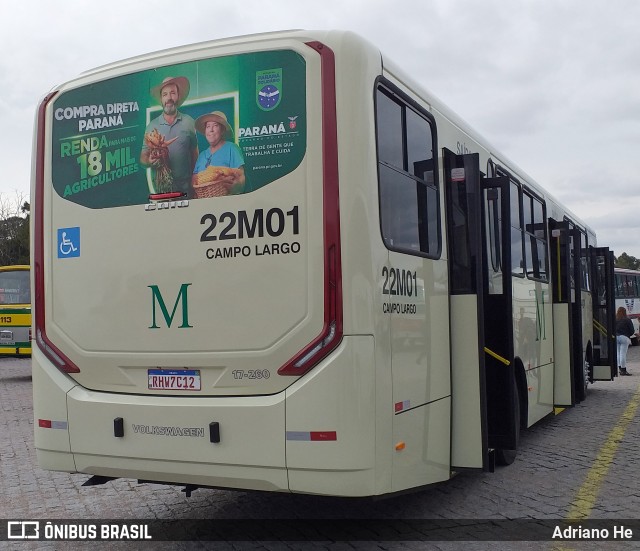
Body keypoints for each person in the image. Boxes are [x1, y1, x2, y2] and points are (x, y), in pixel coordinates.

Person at [140, 76, 198, 197]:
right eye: (165, 94)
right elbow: (142, 159)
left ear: (178, 96)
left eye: (173, 93)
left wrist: (195, 180)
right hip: (161, 191)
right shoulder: (151, 126)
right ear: (161, 99)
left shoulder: (189, 122)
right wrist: (149, 161)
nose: (169, 98)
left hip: (186, 190)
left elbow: (194, 154)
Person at [192, 111, 246, 196]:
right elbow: (195, 178)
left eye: (215, 126)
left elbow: (241, 175)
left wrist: (238, 186)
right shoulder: (202, 155)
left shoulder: (232, 148)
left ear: (222, 130)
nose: (211, 130)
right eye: (208, 126)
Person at [615, 306, 634, 376]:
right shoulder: (627, 319)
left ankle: (619, 368)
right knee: (623, 354)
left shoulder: (615, 319)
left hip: (616, 337)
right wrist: (629, 334)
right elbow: (632, 331)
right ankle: (624, 370)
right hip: (624, 337)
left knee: (618, 353)